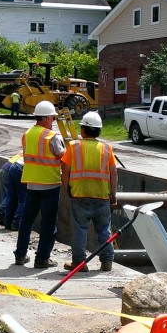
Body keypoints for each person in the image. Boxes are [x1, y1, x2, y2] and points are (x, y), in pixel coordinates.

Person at [60, 111, 117, 272]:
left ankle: (79, 263)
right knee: (104, 230)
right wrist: (113, 194)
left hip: (79, 195)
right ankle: (107, 262)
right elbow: (114, 173)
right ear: (99, 131)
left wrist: (66, 189)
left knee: (80, 230)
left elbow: (65, 169)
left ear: (83, 130)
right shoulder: (107, 148)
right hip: (102, 197)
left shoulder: (74, 146)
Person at [13, 101, 66, 269]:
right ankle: (42, 258)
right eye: (52, 118)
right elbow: (62, 157)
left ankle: (20, 255)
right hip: (50, 184)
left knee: (26, 221)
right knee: (48, 223)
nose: (53, 121)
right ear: (47, 118)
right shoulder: (52, 136)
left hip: (31, 183)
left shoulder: (27, 134)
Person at [0, 152, 24, 228]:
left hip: (5, 168)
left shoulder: (24, 150)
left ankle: (2, 218)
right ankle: (0, 212)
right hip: (11, 169)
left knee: (5, 196)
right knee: (12, 196)